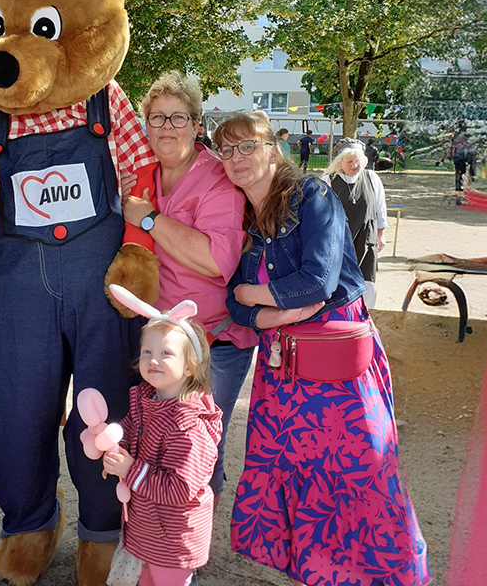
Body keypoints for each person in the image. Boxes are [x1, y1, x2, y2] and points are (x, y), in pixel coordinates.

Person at [214, 110, 428, 586]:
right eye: (226, 149)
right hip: (283, 364)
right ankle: (317, 572)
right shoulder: (242, 214)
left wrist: (260, 298)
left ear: (273, 149)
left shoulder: (311, 195)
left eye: (247, 145)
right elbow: (235, 301)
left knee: (360, 470)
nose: (236, 158)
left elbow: (317, 282)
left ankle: (387, 574)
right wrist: (273, 312)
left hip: (333, 358)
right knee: (297, 472)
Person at [120, 71, 250, 504]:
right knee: (155, 446)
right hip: (159, 339)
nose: (167, 128)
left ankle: (185, 556)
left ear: (198, 125)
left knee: (196, 452)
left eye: (179, 118)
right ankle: (151, 539)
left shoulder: (216, 179)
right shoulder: (145, 175)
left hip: (210, 342)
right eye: (157, 118)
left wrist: (150, 219)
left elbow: (218, 259)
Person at [101, 289, 222, 586]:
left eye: (165, 353)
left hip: (172, 540)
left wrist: (129, 470)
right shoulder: (147, 398)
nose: (153, 360)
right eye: (147, 353)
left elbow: (180, 488)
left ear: (190, 364)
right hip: (148, 529)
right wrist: (119, 447)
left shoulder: (189, 428)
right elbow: (132, 428)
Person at [321, 139, 388, 308]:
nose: (354, 165)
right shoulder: (327, 181)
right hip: (337, 241)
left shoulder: (372, 178)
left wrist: (381, 234)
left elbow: (380, 208)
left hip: (366, 238)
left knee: (367, 281)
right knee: (336, 281)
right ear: (339, 162)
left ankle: (367, 318)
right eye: (349, 161)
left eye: (357, 161)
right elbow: (318, 214)